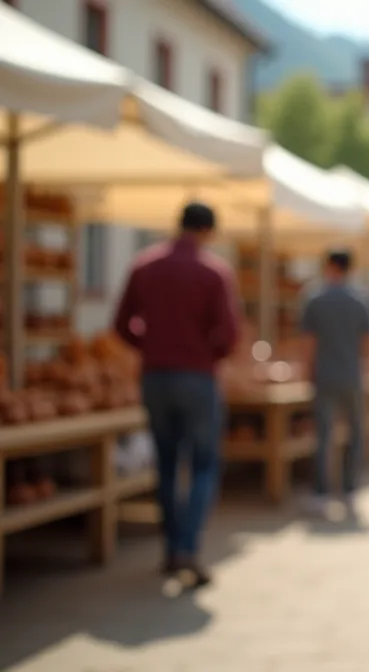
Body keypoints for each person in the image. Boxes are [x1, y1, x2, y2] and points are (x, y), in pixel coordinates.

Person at [113, 202, 239, 587]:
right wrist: (204, 353)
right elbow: (230, 335)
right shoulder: (213, 271)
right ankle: (187, 547)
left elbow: (121, 324)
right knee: (202, 464)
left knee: (166, 465)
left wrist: (151, 346)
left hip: (155, 377)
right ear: (208, 231)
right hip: (197, 378)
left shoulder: (145, 264)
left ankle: (171, 549)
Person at [300, 249, 369, 517]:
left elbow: (309, 342)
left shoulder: (315, 297)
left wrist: (308, 371)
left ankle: (321, 493)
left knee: (323, 435)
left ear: (330, 266)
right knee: (355, 434)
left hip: (324, 375)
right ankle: (350, 490)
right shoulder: (361, 299)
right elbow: (366, 343)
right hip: (351, 375)